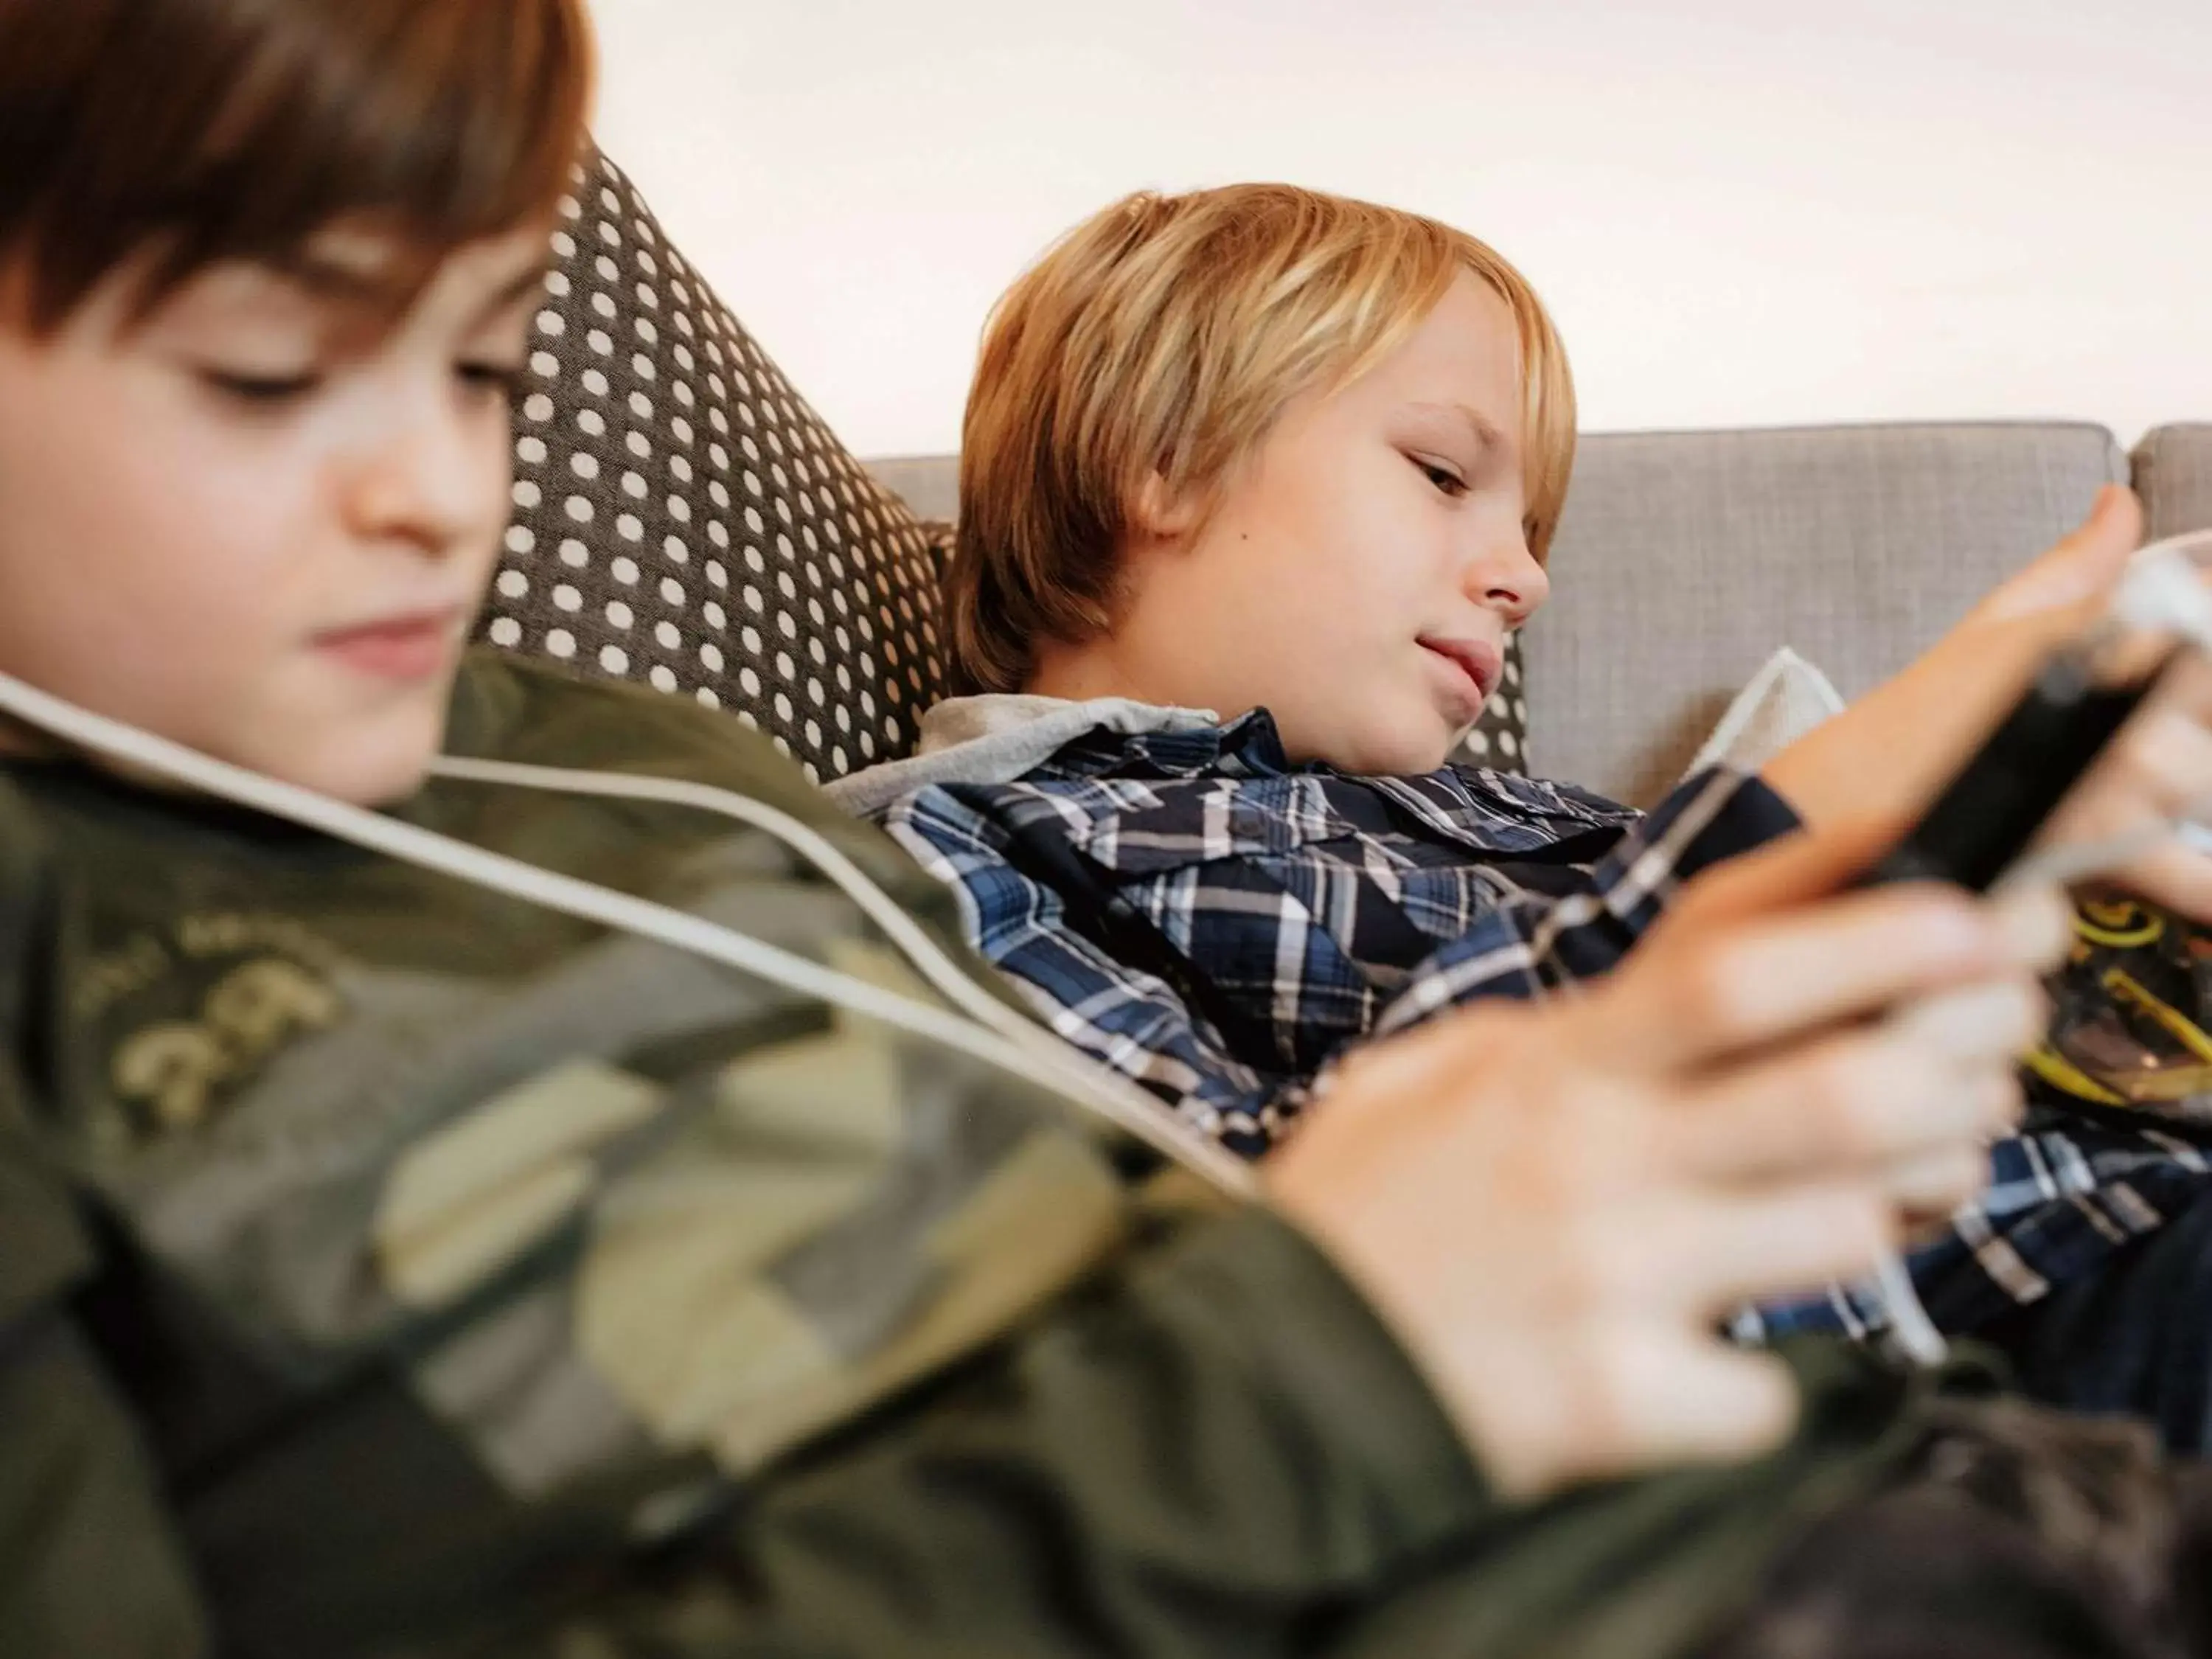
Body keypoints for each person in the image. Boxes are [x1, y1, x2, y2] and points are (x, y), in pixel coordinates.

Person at [5, 4, 2211, 1657]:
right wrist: (1801, 829)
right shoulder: (1018, 831)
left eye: (488, 371)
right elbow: (1333, 1213)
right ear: (1158, 453)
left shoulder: (640, 770)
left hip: (1921, 1431)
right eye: (272, 372)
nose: (440, 495)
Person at [840, 183, 2212, 1424]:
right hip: (1977, 1344)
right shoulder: (962, 860)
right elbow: (1284, 1280)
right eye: (1445, 474)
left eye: (1533, 530)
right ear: (1165, 457)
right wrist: (1820, 808)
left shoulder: (1521, 812)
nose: (1524, 579)